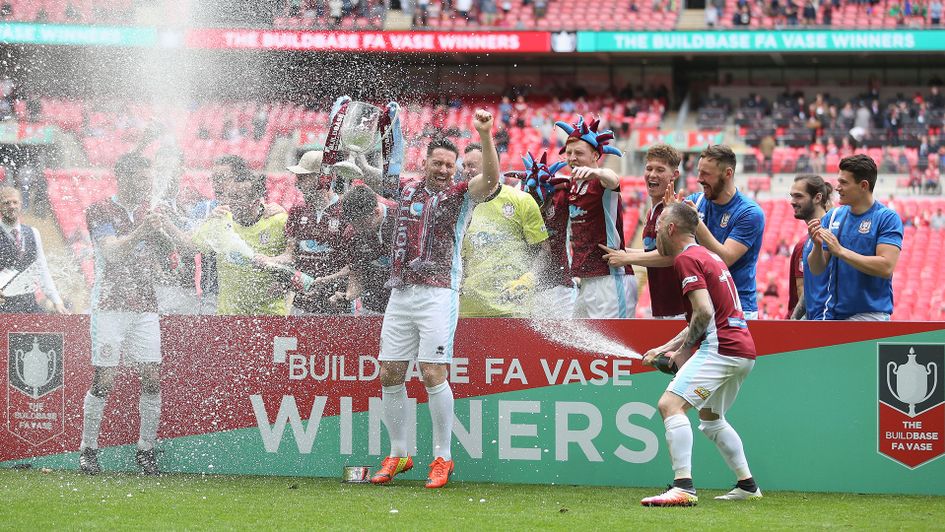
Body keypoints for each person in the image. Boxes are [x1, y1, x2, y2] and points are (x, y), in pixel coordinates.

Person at [370, 110, 499, 489]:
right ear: (425, 163)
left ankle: (443, 456)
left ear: (456, 169)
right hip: (400, 292)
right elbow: (376, 178)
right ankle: (399, 453)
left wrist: (485, 134)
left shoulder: (461, 195)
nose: (443, 170)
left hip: (439, 293)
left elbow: (491, 179)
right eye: (437, 163)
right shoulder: (407, 189)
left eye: (449, 165)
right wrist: (354, 163)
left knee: (432, 372)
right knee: (390, 372)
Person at [640, 203, 761, 507]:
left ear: (671, 229)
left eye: (658, 227)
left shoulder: (685, 259)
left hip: (721, 348)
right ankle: (747, 485)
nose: (656, 233)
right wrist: (665, 348)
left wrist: (682, 352)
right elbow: (705, 314)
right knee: (711, 418)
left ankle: (683, 487)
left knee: (670, 405)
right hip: (742, 349)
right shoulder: (709, 256)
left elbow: (704, 312)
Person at [79, 154, 189, 475]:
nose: (147, 184)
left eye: (148, 178)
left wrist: (166, 243)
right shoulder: (100, 210)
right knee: (104, 380)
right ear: (123, 178)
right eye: (141, 178)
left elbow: (177, 253)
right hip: (110, 306)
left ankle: (146, 449)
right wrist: (143, 231)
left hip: (144, 305)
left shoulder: (150, 211)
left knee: (152, 377)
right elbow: (112, 252)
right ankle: (88, 448)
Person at [555, 115, 637, 318]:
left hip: (610, 278)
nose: (572, 157)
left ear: (595, 156)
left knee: (614, 337)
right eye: (569, 152)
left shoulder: (601, 182)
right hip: (585, 279)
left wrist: (598, 173)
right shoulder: (573, 186)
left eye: (579, 153)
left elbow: (613, 179)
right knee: (578, 337)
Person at [806, 155, 903, 320]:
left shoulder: (886, 218)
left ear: (863, 185)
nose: (837, 188)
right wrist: (817, 246)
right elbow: (816, 269)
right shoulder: (833, 216)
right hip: (832, 315)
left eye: (844, 182)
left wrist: (841, 251)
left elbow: (886, 267)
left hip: (870, 316)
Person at [674, 145, 765, 318]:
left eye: (706, 174)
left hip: (737, 308)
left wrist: (695, 221)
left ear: (728, 173)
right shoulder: (696, 201)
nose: (699, 179)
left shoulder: (750, 213)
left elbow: (725, 258)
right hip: (700, 306)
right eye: (699, 172)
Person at [459, 143, 549, 317]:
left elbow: (544, 251)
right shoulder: (460, 204)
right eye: (464, 165)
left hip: (512, 308)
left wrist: (529, 279)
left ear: (491, 166)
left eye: (471, 165)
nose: (465, 171)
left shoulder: (521, 200)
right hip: (469, 309)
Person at [599, 144, 686, 319]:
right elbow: (653, 252)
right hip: (663, 309)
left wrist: (626, 258)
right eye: (649, 168)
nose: (652, 174)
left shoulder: (676, 209)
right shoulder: (652, 211)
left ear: (675, 175)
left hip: (681, 311)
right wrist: (621, 251)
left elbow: (673, 256)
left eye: (660, 170)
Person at [192, 169, 290, 315]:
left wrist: (286, 283)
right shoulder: (219, 220)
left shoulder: (279, 221)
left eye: (237, 197)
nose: (230, 202)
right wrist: (166, 226)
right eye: (229, 196)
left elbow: (296, 258)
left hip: (270, 314)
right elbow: (189, 247)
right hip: (229, 315)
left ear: (255, 202)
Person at [276, 150, 350, 315]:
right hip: (301, 303)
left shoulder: (345, 211)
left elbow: (354, 266)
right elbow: (289, 255)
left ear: (324, 178)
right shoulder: (297, 211)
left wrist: (324, 283)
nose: (298, 183)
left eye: (304, 177)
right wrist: (267, 260)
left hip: (336, 302)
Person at [0, 186, 68, 313]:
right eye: (6, 203)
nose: (11, 206)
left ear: (21, 204)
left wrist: (56, 300)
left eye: (15, 202)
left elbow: (42, 269)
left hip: (28, 305)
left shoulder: (33, 233)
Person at [337, 183, 397, 315]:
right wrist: (348, 296)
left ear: (376, 212)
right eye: (354, 225)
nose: (358, 230)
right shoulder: (352, 233)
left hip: (404, 303)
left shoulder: (401, 219)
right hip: (371, 306)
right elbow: (357, 275)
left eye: (362, 225)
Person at [788, 174, 832, 320]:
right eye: (792, 196)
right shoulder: (809, 239)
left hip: (828, 322)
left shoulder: (831, 231)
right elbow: (808, 289)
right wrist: (794, 319)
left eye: (799, 196)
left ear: (817, 198)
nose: (792, 202)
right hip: (813, 321)